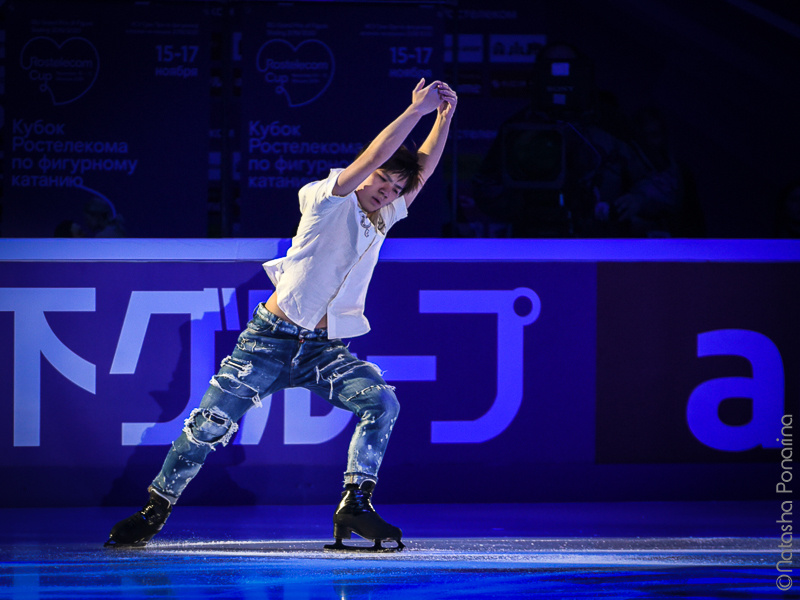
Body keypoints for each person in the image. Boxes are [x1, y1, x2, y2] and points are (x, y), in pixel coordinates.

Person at [105, 78, 458, 552]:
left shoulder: (385, 216)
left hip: (323, 349)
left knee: (382, 402)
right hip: (267, 343)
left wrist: (444, 119)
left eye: (396, 187)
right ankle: (155, 510)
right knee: (208, 424)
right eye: (382, 181)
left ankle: (355, 504)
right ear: (365, 172)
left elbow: (423, 172)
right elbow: (376, 156)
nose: (386, 190)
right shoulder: (325, 199)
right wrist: (416, 112)